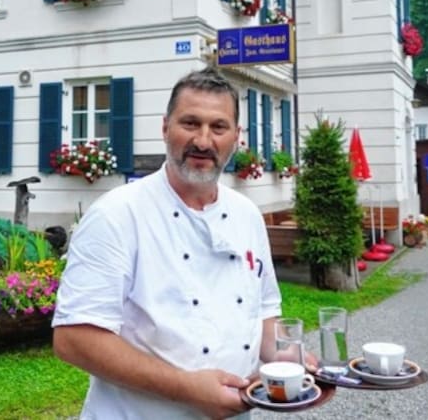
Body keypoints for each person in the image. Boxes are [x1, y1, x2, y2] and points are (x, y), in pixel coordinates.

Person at [52, 67, 303, 419]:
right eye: (190, 123)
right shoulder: (117, 214)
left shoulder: (247, 215)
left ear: (237, 136)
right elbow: (74, 339)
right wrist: (186, 388)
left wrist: (296, 362)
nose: (203, 141)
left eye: (218, 127)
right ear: (165, 127)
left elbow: (262, 316)